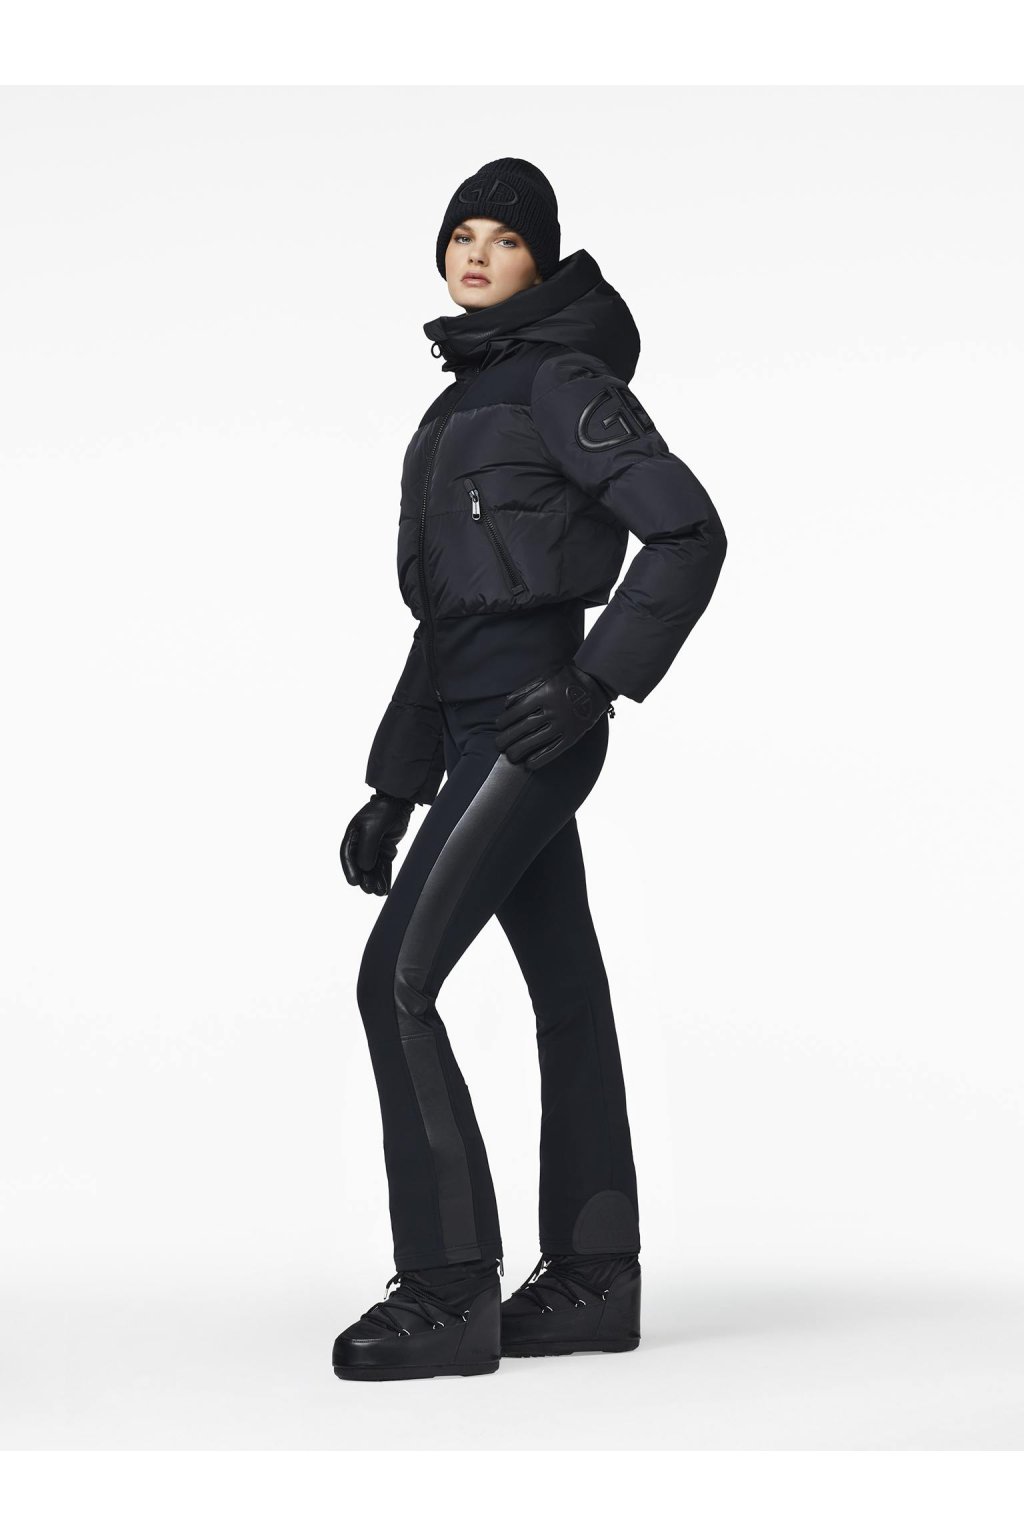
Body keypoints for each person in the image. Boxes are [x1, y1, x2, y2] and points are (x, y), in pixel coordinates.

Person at [333, 158, 727, 1382]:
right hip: (463, 725)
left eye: (504, 239)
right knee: (567, 990)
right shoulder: (453, 408)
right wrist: (395, 784)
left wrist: (596, 678)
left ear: (540, 262)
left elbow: (688, 530)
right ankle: (597, 1276)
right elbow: (446, 617)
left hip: (530, 727)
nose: (476, 252)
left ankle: (448, 1290)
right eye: (462, 233)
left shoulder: (561, 382)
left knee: (394, 982)